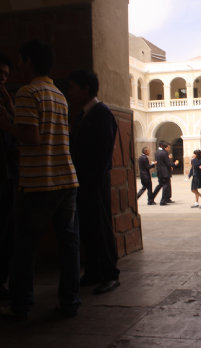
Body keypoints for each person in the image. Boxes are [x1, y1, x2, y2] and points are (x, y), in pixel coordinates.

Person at [0, 40, 80, 319]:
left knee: (24, 247)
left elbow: (32, 136)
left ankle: (21, 304)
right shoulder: (58, 94)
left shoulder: (28, 92)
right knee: (69, 245)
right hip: (66, 179)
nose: (18, 67)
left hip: (38, 182)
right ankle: (70, 302)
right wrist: (13, 109)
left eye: (21, 61)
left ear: (29, 62)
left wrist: (6, 124)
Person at [68, 69, 120, 295]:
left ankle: (110, 274)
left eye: (72, 87)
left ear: (85, 89)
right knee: (88, 226)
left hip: (96, 180)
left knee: (101, 225)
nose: (69, 92)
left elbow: (103, 151)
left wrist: (93, 178)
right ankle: (93, 271)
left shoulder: (102, 113)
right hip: (83, 180)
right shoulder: (82, 115)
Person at [0, 53, 17, 300]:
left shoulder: (6, 101)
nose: (2, 80)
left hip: (6, 173)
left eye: (5, 75)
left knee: (6, 229)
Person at [152, 141, 179, 206]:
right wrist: (175, 164)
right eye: (168, 147)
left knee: (160, 185)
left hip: (159, 172)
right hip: (165, 173)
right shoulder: (164, 153)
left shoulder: (157, 152)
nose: (169, 148)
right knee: (165, 186)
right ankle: (163, 201)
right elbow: (168, 163)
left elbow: (161, 161)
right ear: (164, 147)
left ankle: (151, 198)